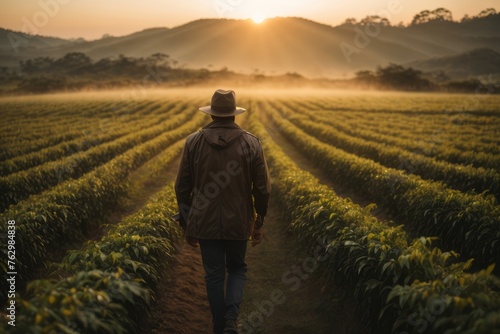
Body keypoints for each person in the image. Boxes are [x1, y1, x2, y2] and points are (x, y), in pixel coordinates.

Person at [175, 89, 271, 334]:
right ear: (233, 115)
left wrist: (187, 223)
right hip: (239, 220)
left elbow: (182, 187)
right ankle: (231, 319)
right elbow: (262, 188)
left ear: (212, 114)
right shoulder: (251, 142)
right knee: (237, 268)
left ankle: (219, 326)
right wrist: (258, 221)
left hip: (204, 221)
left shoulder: (194, 141)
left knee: (213, 275)